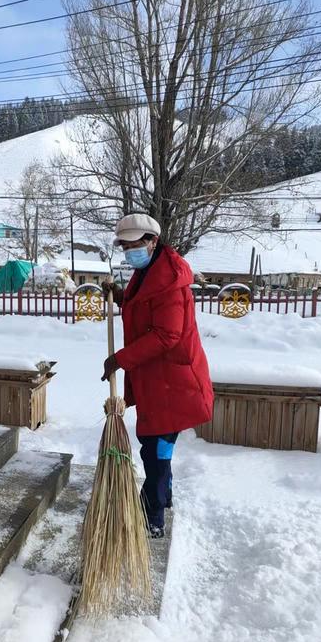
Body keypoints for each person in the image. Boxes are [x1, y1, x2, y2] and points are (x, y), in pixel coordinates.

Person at [101, 213, 214, 538]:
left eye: (134, 245)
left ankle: (152, 518)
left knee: (155, 450)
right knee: (157, 446)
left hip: (174, 384)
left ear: (152, 241)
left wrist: (119, 359)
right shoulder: (149, 271)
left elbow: (167, 334)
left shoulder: (169, 280)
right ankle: (164, 496)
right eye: (125, 246)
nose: (129, 251)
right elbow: (144, 311)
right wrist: (121, 297)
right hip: (159, 380)